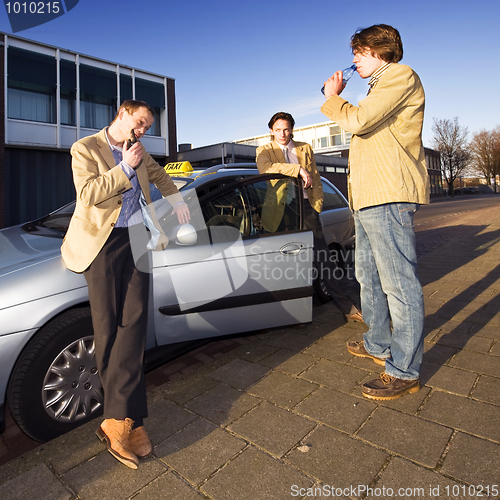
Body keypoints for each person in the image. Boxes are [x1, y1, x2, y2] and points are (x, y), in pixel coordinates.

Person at [61, 100, 190, 469]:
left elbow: (161, 175)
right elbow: (88, 195)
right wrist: (124, 167)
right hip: (103, 246)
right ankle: (120, 418)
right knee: (108, 329)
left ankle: (123, 418)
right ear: (121, 115)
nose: (142, 130)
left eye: (147, 126)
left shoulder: (140, 152)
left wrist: (177, 198)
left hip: (138, 239)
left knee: (133, 328)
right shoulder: (85, 148)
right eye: (139, 122)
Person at [321, 24, 430, 399]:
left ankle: (404, 369)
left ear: (377, 50)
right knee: (368, 275)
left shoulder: (399, 76)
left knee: (399, 284)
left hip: (388, 194)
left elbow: (358, 120)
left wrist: (332, 97)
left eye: (358, 52)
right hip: (368, 197)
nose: (353, 59)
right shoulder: (377, 86)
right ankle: (378, 342)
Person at [256, 112, 363, 323]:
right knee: (286, 263)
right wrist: (297, 169)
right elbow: (265, 168)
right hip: (281, 211)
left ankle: (348, 308)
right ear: (271, 131)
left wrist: (317, 206)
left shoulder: (304, 148)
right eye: (278, 130)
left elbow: (315, 177)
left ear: (292, 129)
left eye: (286, 129)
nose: (282, 134)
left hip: (306, 208)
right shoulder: (264, 150)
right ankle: (290, 313)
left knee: (323, 258)